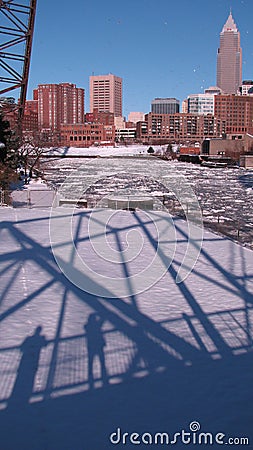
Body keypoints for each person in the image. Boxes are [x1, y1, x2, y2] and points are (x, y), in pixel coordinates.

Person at [85, 314, 107, 388]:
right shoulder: (97, 326)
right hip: (99, 345)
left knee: (90, 363)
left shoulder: (87, 327)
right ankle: (104, 379)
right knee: (102, 362)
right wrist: (100, 313)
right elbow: (103, 319)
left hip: (91, 346)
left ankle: (90, 380)